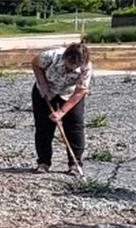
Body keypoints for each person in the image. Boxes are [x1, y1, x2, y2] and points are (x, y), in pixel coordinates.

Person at [31, 43, 92, 176]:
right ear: (65, 56)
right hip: (46, 91)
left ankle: (75, 164)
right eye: (70, 64)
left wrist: (61, 112)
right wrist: (42, 82)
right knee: (43, 127)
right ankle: (43, 162)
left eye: (76, 65)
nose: (72, 68)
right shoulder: (51, 56)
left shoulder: (86, 67)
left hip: (70, 93)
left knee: (75, 127)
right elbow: (35, 63)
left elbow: (80, 90)